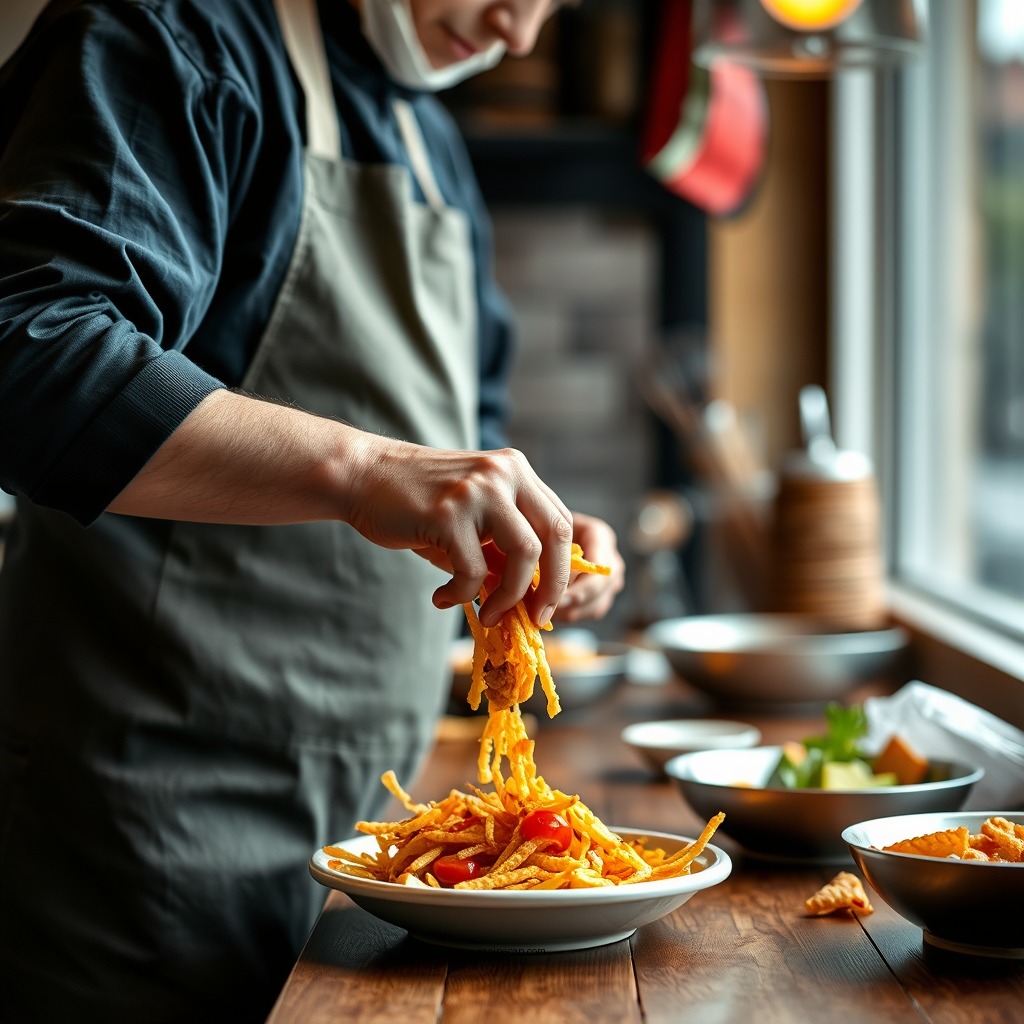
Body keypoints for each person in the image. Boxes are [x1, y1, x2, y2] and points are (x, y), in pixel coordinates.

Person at [0, 1, 624, 1020]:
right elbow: (26, 346)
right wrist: (364, 468)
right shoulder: (169, 36)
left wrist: (540, 526)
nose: (519, 33)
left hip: (371, 828)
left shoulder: (429, 137)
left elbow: (462, 427)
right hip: (140, 829)